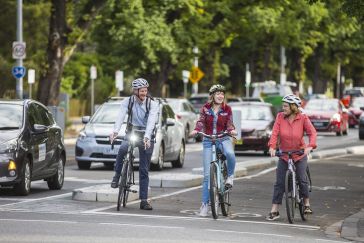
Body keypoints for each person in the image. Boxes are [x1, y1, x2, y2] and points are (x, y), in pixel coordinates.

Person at [110, 78, 159, 210]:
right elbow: (120, 116)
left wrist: (148, 137)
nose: (144, 93)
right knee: (122, 149)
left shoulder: (152, 104)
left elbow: (151, 122)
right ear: (135, 91)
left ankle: (144, 201)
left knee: (143, 169)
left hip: (146, 136)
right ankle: (117, 176)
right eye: (141, 91)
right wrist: (115, 131)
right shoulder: (128, 101)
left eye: (145, 90)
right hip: (132, 132)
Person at [266, 94, 317, 220]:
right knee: (279, 182)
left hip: (299, 154)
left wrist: (310, 146)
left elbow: (312, 133)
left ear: (293, 107)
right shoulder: (280, 117)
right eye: (283, 106)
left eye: (285, 106)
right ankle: (275, 210)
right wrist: (272, 147)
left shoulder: (303, 118)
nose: (283, 108)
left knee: (302, 178)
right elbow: (275, 133)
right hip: (284, 154)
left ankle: (306, 204)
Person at [190, 84, 237, 217]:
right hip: (208, 140)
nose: (221, 96)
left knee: (229, 154)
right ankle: (204, 205)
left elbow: (229, 123)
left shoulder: (227, 109)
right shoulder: (205, 108)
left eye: (222, 94)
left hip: (223, 138)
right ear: (212, 96)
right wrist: (196, 130)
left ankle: (230, 177)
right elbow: (201, 121)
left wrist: (231, 130)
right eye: (218, 94)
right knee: (206, 176)